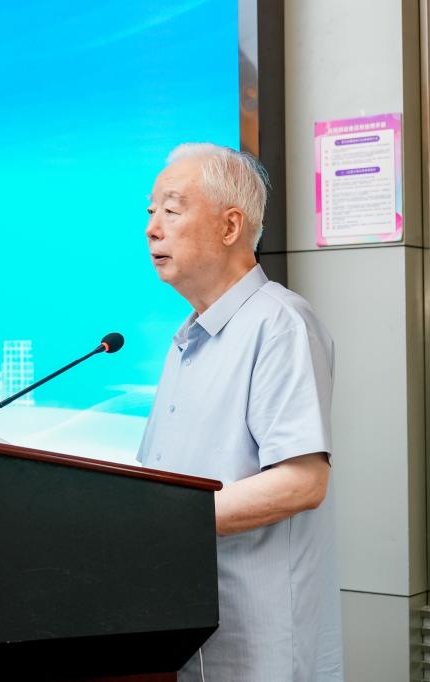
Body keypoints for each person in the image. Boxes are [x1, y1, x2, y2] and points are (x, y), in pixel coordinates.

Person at [138, 143, 342, 681]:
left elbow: (302, 481)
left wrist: (159, 521)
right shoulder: (187, 339)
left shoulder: (279, 324)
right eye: (151, 212)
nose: (152, 229)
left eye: (171, 210)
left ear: (230, 226)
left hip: (257, 640)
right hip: (184, 625)